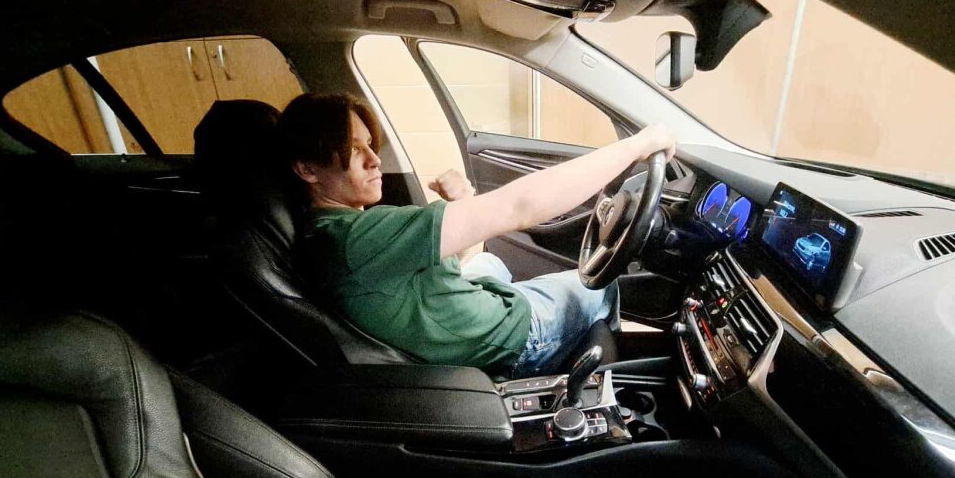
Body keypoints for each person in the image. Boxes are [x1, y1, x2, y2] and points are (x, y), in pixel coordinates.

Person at [278, 93, 675, 378]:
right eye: (353, 149)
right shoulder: (357, 239)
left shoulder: (335, 232)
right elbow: (518, 206)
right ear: (307, 169)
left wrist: (462, 202)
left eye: (369, 144)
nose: (374, 159)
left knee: (490, 261)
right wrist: (636, 146)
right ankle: (605, 388)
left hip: (455, 316)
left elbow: (425, 273)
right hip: (512, 340)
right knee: (601, 286)